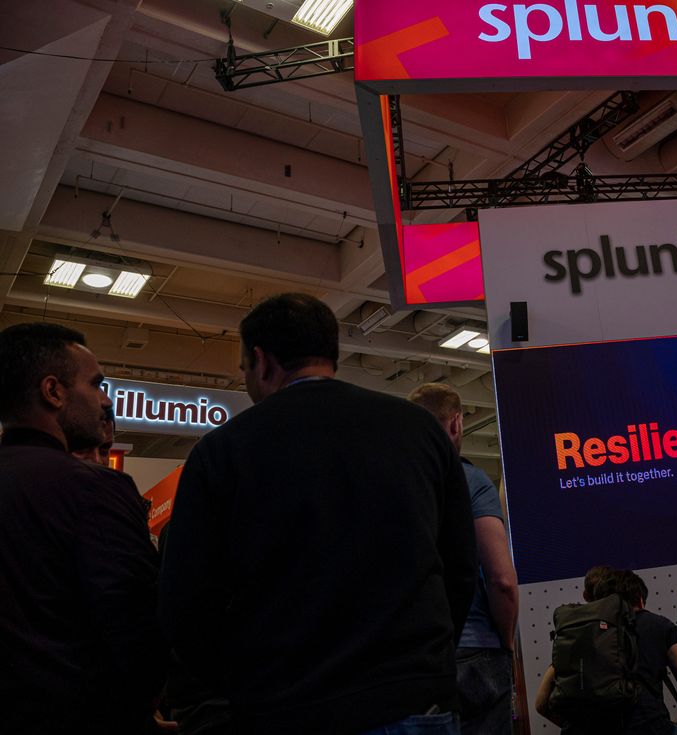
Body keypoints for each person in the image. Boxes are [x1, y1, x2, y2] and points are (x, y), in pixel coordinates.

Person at [159, 293, 476, 735]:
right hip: (414, 699)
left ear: (261, 361)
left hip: (283, 704)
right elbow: (461, 566)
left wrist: (234, 688)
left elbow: (187, 600)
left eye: (244, 369)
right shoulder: (420, 431)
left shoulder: (222, 451)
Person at [0, 323, 166, 734]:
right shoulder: (93, 489)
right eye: (96, 384)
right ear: (53, 391)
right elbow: (136, 629)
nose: (105, 399)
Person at [410, 382, 519, 735]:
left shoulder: (397, 483)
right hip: (476, 648)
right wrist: (505, 642)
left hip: (417, 655)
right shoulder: (470, 481)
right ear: (456, 423)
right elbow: (501, 579)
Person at [536, 568, 677, 735]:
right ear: (640, 600)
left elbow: (541, 704)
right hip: (646, 727)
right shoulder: (658, 625)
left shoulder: (582, 635)